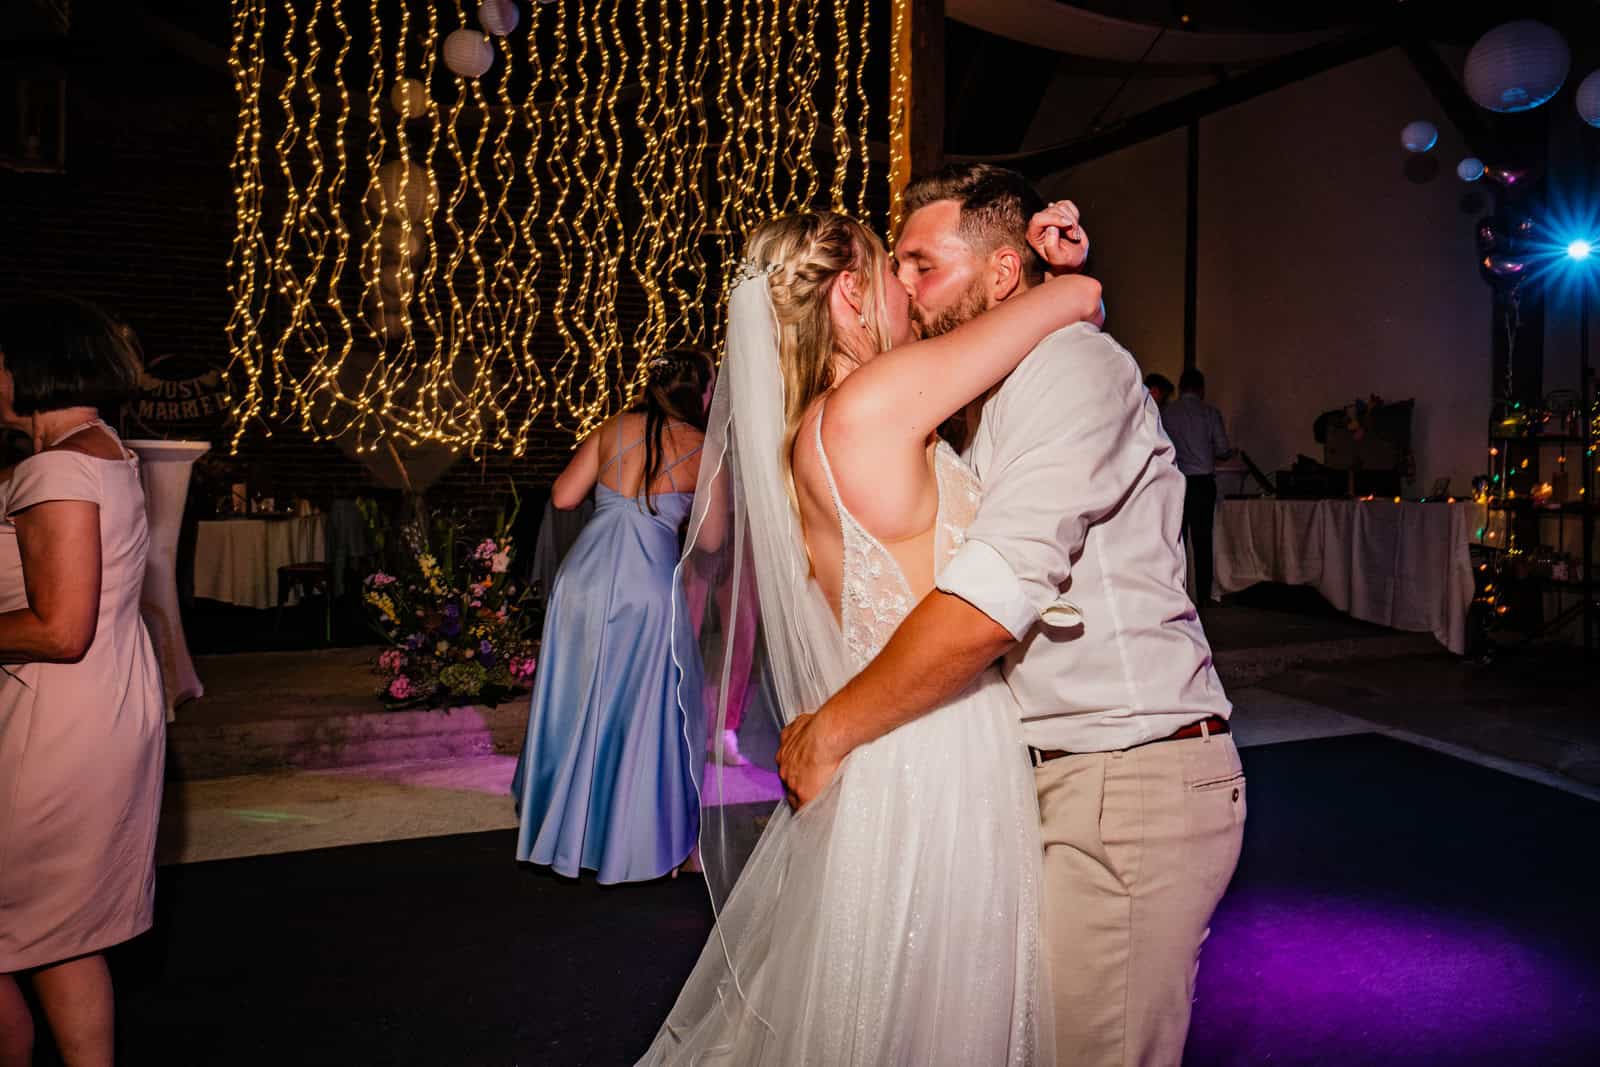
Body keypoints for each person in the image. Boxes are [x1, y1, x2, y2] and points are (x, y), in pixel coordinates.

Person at [779, 164, 1245, 1067]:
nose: (903, 289)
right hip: (1048, 772)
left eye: (923, 265)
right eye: (898, 268)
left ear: (999, 276)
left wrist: (831, 730)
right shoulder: (969, 393)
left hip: (1128, 771)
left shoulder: (1072, 370)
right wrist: (1073, 290)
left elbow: (993, 601)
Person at [640, 204, 1102, 1063]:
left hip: (879, 749)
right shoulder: (877, 401)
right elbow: (1076, 302)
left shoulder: (804, 432)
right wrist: (1052, 267)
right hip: (940, 743)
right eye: (896, 269)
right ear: (852, 292)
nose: (908, 290)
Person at [0, 296, 166, 1067]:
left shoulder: (57, 466)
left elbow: (60, 629)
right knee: (60, 933)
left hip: (56, 726)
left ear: (31, 368)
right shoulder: (104, 448)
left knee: (36, 922)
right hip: (99, 708)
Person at [511, 348, 713, 884]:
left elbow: (562, 496)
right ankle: (629, 836)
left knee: (577, 699)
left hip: (584, 581)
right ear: (700, 392)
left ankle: (561, 830)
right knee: (642, 708)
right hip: (647, 588)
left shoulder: (613, 426)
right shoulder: (702, 448)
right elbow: (712, 539)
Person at [1161, 367, 1233, 606]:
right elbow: (1223, 449)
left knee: (1175, 539)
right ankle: (1203, 596)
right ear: (1201, 389)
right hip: (1203, 482)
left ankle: (1175, 591)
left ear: (1180, 388)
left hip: (1176, 482)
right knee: (1203, 541)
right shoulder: (1210, 413)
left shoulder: (1167, 413)